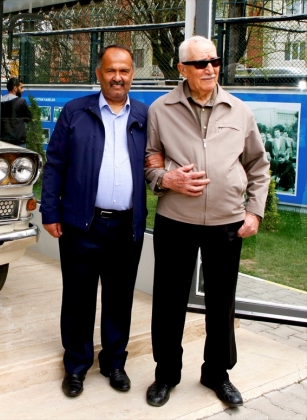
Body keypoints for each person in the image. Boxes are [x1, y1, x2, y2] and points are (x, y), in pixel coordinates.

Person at [144, 35, 270, 408]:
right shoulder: (161, 110)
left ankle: (217, 373)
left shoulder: (239, 110)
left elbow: (258, 165)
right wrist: (166, 179)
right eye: (201, 63)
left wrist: (254, 210)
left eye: (214, 61)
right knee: (168, 301)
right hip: (175, 220)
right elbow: (150, 159)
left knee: (221, 302)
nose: (210, 68)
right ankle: (166, 374)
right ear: (182, 69)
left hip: (227, 222)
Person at [40, 45, 149, 397]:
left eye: (124, 71)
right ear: (99, 73)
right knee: (78, 298)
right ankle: (76, 366)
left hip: (126, 226)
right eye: (111, 70)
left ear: (132, 75)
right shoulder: (75, 112)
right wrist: (50, 211)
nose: (118, 77)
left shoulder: (145, 116)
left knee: (119, 298)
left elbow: (155, 164)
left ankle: (115, 363)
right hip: (81, 224)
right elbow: (55, 163)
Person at [0, 77, 32, 147]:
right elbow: (29, 117)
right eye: (21, 88)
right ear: (15, 88)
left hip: (4, 141)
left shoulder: (0, 102)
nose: (23, 90)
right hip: (18, 142)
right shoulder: (21, 102)